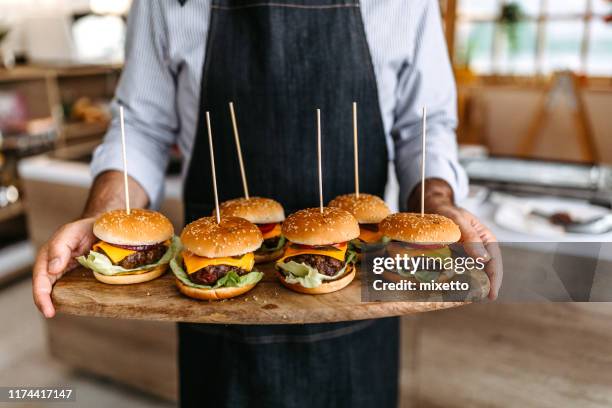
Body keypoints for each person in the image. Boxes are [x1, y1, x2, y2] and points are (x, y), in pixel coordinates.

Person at [33, 1, 500, 407]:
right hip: (220, 323)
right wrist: (103, 215)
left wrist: (438, 203)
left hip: (361, 302)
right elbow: (139, 123)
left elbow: (425, 124)